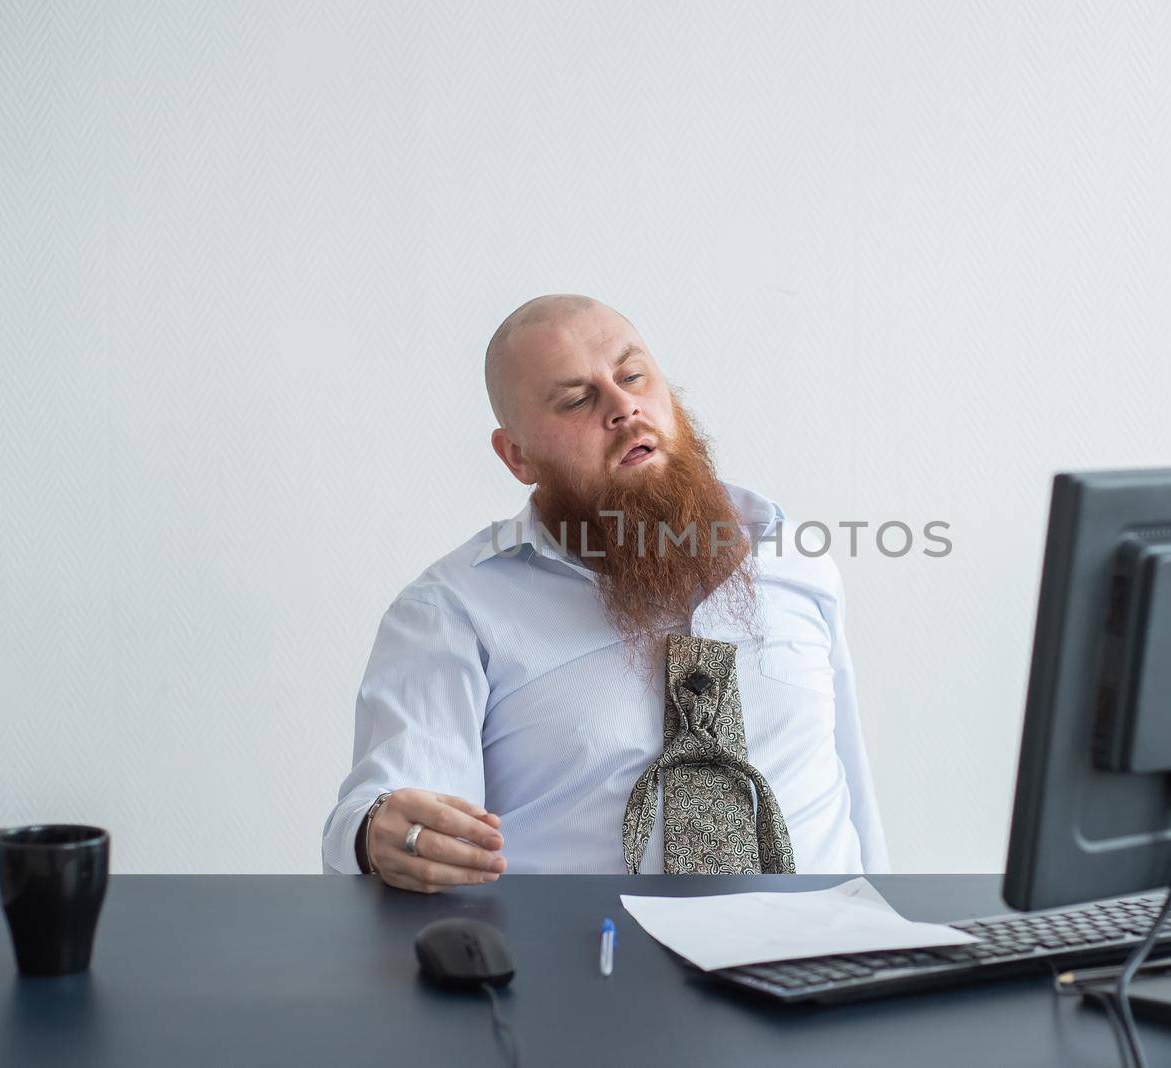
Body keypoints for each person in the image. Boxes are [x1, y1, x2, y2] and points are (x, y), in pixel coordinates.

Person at [320, 293, 889, 891]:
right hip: (587, 974)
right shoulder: (450, 613)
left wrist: (887, 940)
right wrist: (377, 833)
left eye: (633, 376)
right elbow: (395, 810)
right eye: (576, 400)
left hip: (821, 964)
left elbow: (851, 792)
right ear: (517, 455)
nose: (623, 408)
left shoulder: (792, 557)